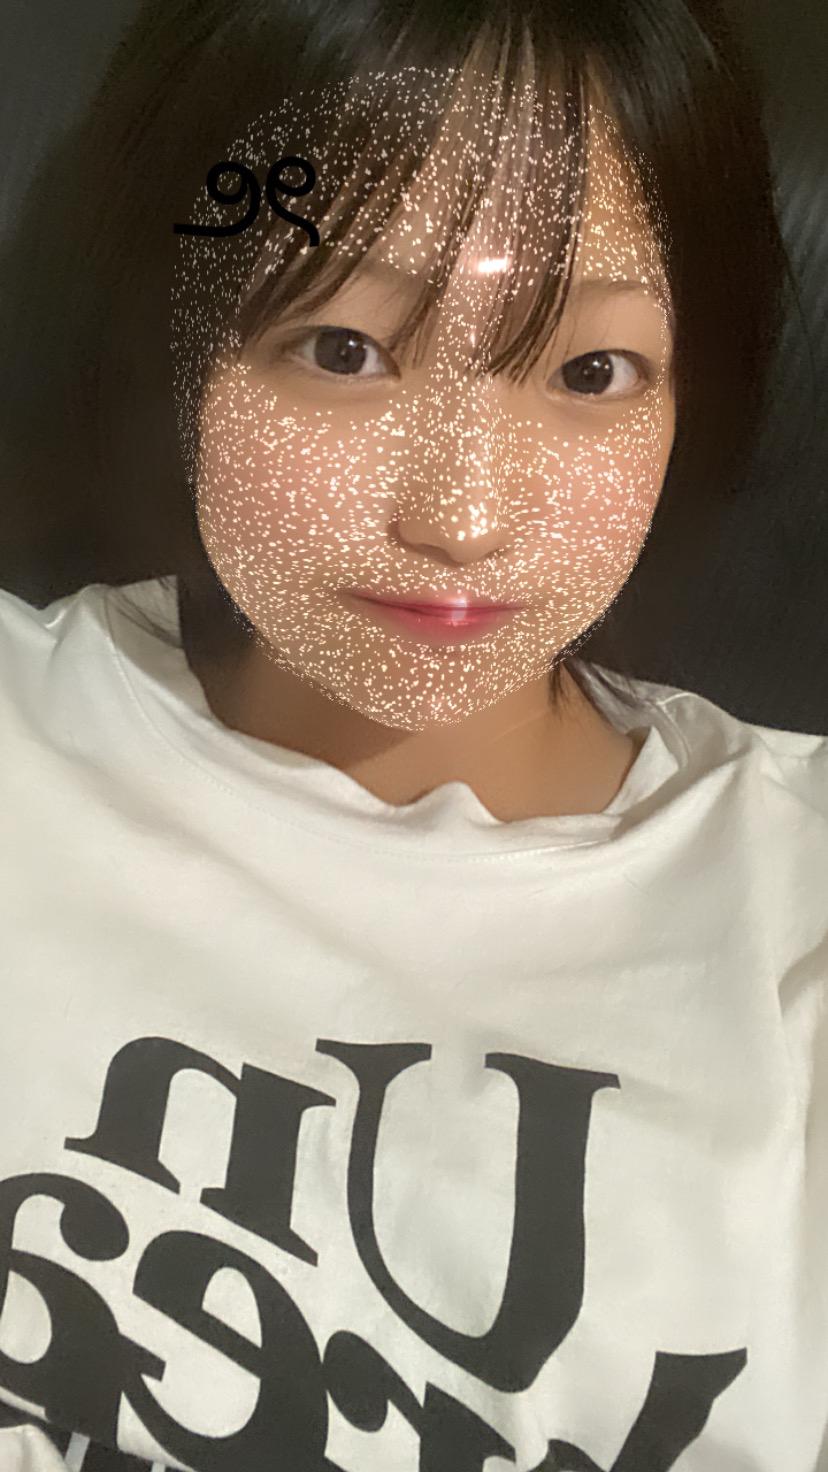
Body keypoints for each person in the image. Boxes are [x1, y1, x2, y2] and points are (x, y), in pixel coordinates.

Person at [0, 1, 825, 1469]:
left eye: (591, 373)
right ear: (169, 343)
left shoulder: (794, 915)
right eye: (342, 348)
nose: (461, 517)